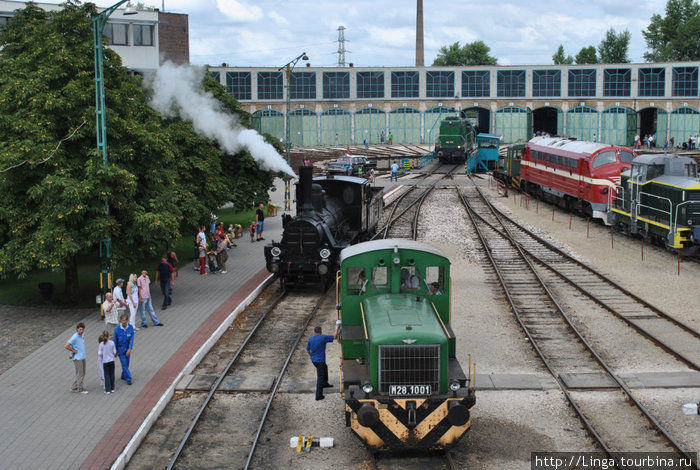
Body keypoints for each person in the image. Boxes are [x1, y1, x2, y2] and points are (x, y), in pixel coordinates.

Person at [306, 326, 335, 400]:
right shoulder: (323, 337)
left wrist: (311, 355)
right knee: (320, 377)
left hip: (314, 360)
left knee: (325, 368)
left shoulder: (311, 338)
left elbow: (308, 349)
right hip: (320, 361)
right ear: (321, 331)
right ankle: (318, 396)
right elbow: (334, 337)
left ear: (314, 331)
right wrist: (338, 327)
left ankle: (325, 384)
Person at [65, 322, 88, 394]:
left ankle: (75, 386)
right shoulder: (74, 337)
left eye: (83, 329)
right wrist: (73, 350)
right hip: (77, 358)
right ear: (77, 329)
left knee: (82, 372)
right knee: (80, 373)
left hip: (82, 356)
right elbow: (66, 346)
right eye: (80, 329)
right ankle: (79, 388)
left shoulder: (82, 335)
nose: (81, 331)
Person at [114, 313, 134, 385]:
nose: (124, 322)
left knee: (127, 363)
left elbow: (131, 338)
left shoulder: (130, 328)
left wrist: (130, 348)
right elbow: (115, 341)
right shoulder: (117, 329)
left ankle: (123, 375)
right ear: (120, 321)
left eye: (125, 320)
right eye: (122, 320)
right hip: (120, 350)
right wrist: (115, 351)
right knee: (124, 364)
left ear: (127, 320)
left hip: (127, 349)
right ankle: (129, 379)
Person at [98, 330, 116, 394]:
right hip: (111, 360)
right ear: (108, 336)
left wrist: (103, 356)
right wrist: (114, 355)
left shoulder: (101, 344)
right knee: (112, 374)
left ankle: (107, 390)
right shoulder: (112, 343)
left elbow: (99, 353)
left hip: (105, 361)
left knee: (106, 375)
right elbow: (114, 352)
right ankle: (112, 388)